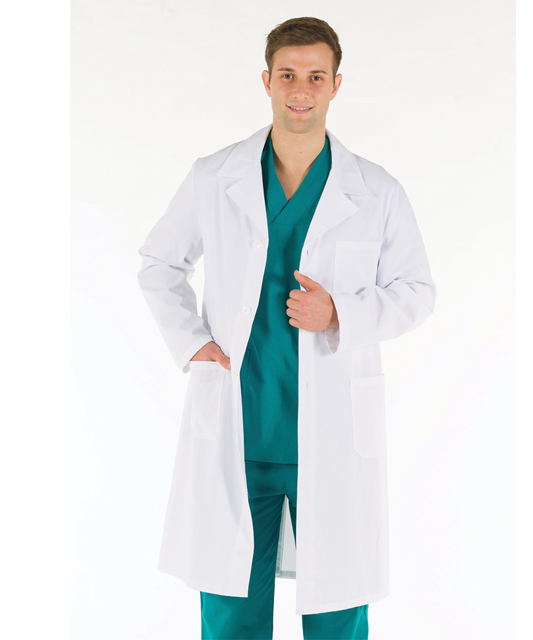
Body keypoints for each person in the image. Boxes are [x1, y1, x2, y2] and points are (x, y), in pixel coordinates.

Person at [137, 16, 436, 639]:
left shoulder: (376, 190)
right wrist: (194, 343)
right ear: (267, 81)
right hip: (240, 427)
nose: (302, 89)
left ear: (336, 84)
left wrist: (342, 314)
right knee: (230, 611)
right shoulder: (214, 176)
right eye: (289, 75)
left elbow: (416, 292)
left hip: (331, 433)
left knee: (338, 612)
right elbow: (159, 264)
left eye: (316, 77)